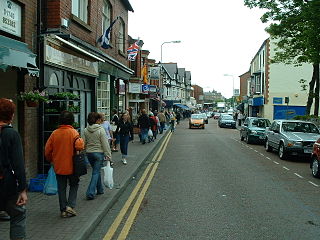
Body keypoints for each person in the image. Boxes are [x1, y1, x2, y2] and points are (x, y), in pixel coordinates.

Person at [45, 110, 85, 218]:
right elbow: (80, 146)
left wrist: (51, 160)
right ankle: (70, 206)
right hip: (73, 166)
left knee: (61, 188)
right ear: (71, 121)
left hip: (59, 166)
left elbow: (47, 150)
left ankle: (63, 209)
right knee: (74, 185)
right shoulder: (74, 133)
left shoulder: (54, 133)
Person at [0, 98, 28, 240]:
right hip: (7, 185)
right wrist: (22, 189)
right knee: (18, 215)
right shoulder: (11, 134)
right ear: (11, 115)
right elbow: (18, 165)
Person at [83, 112, 112, 200]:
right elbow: (105, 143)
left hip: (89, 153)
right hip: (99, 153)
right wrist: (108, 155)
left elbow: (84, 143)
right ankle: (90, 192)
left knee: (97, 171)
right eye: (99, 119)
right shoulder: (101, 129)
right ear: (97, 120)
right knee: (95, 172)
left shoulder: (85, 130)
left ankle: (100, 189)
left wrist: (83, 151)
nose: (100, 120)